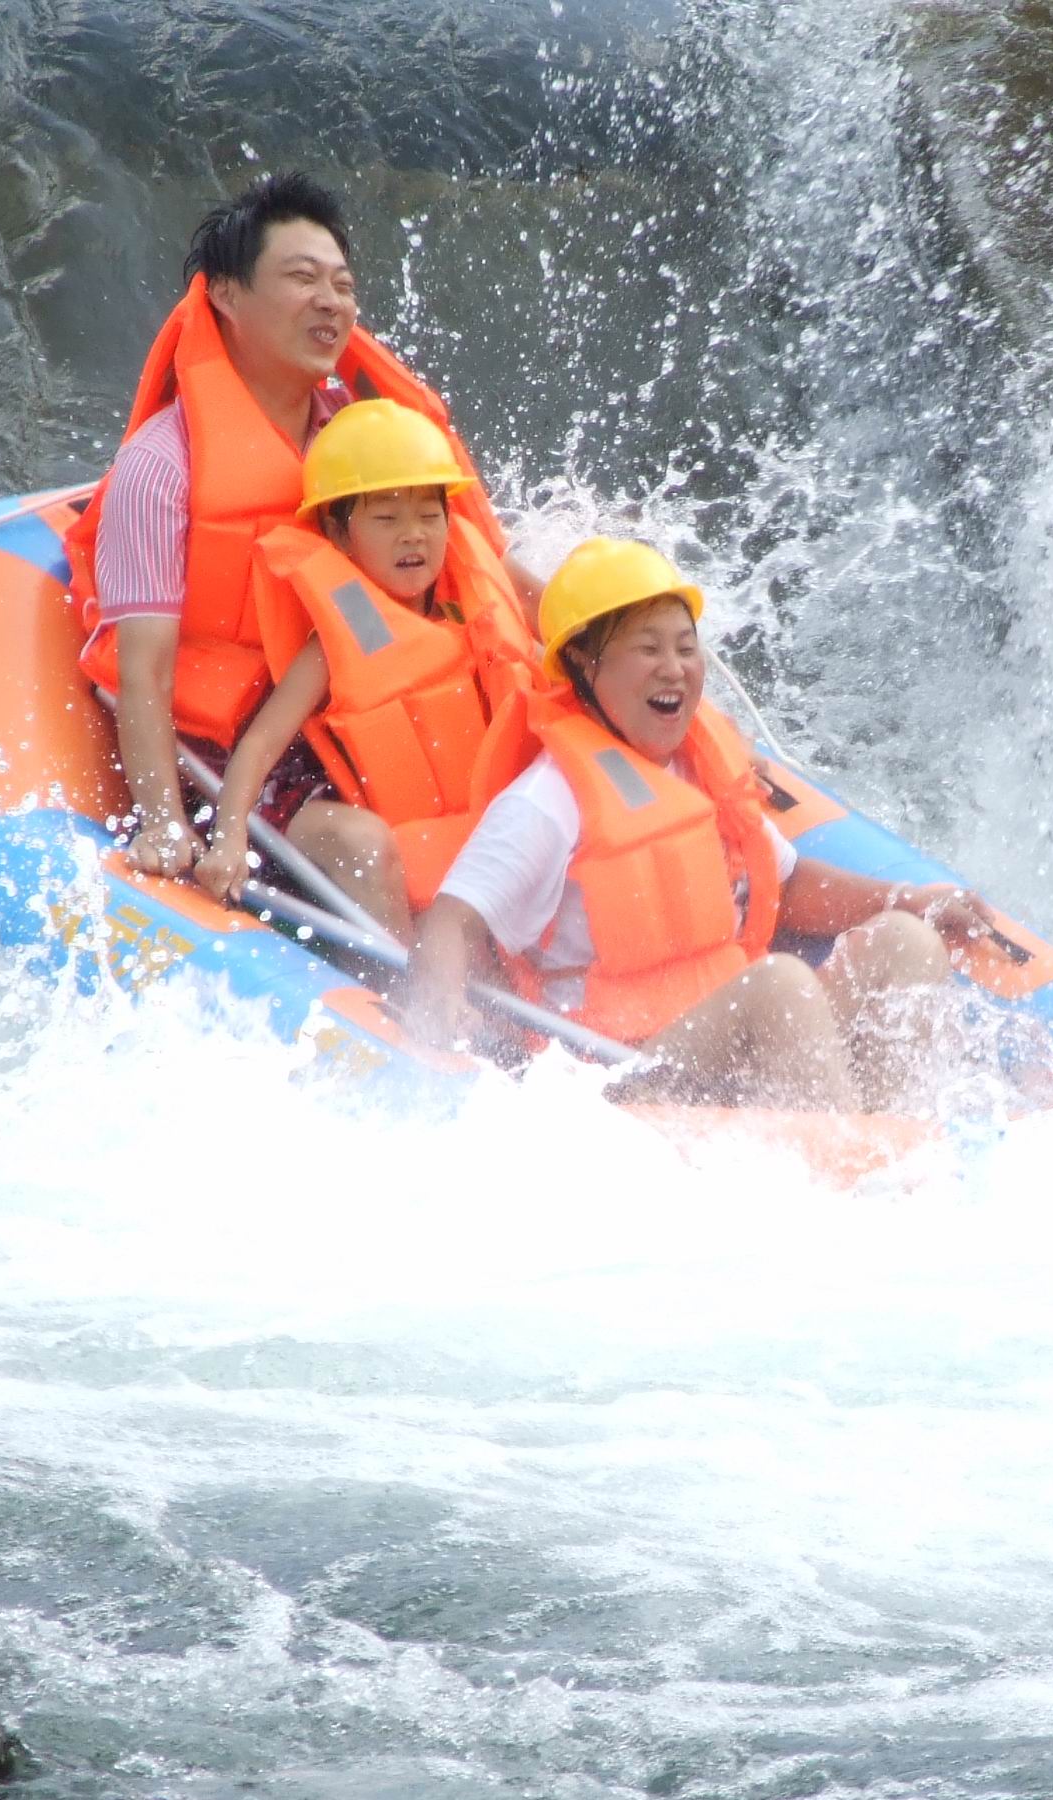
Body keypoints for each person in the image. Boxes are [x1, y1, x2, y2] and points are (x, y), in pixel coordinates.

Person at [62, 171, 543, 886]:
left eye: (343, 285)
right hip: (235, 743)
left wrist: (595, 634)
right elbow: (146, 672)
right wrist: (164, 818)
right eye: (302, 278)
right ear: (226, 294)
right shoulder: (162, 467)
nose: (331, 302)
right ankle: (405, 1000)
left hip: (359, 692)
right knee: (367, 847)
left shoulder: (362, 432)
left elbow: (473, 563)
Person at [395, 539, 994, 1111]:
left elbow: (786, 887)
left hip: (732, 1043)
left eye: (685, 647)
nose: (674, 668)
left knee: (904, 941)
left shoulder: (701, 763)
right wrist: (442, 1012)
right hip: (616, 1075)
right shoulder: (548, 798)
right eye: (647, 649)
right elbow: (454, 918)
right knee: (781, 986)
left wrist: (910, 900)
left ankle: (902, 1150)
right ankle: (852, 1175)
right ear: (582, 662)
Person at [191, 400, 539, 941]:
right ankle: (394, 996)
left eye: (429, 515)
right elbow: (259, 746)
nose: (413, 536)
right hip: (306, 801)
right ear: (338, 531)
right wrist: (229, 835)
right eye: (385, 518)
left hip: (427, 810)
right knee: (369, 847)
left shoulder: (470, 608)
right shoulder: (334, 639)